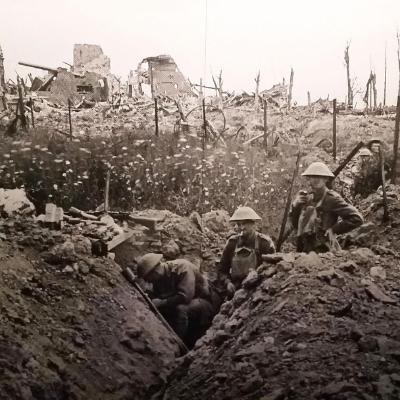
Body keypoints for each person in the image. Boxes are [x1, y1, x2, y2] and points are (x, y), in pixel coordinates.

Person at [136, 253, 220, 348]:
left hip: (206, 303)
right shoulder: (159, 279)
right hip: (190, 303)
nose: (148, 281)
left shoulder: (182, 267)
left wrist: (161, 302)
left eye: (147, 278)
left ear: (155, 271)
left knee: (181, 309)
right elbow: (162, 296)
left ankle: (177, 346)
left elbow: (185, 296)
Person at [290, 161, 363, 253]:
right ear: (309, 179)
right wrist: (295, 206)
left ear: (326, 179)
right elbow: (296, 225)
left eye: (319, 176)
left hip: (324, 250)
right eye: (313, 176)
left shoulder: (332, 198)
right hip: (304, 250)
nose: (316, 179)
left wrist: (333, 229)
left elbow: (357, 218)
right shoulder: (307, 199)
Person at [218, 206, 275, 296]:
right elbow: (222, 269)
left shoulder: (264, 243)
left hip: (257, 289)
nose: (241, 227)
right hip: (235, 290)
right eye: (239, 224)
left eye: (245, 223)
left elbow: (271, 270)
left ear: (253, 224)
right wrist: (227, 282)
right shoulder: (232, 243)